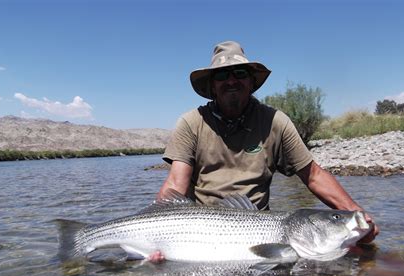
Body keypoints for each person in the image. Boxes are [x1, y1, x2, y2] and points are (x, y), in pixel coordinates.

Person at [152, 41, 379, 262]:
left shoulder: (275, 122)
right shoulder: (191, 123)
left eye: (239, 73)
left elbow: (313, 175)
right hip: (198, 232)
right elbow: (175, 185)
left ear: (251, 82)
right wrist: (156, 236)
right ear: (212, 86)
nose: (231, 80)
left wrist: (357, 216)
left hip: (260, 229)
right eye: (221, 75)